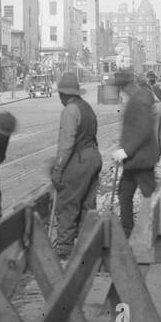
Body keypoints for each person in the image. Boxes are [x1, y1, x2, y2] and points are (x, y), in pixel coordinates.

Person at [49, 73, 103, 257]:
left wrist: (58, 169)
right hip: (93, 157)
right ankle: (87, 245)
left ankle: (64, 247)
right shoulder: (86, 107)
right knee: (88, 204)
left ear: (63, 94)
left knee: (68, 203)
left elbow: (66, 144)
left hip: (79, 159)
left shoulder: (70, 110)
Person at [112, 70, 161, 240]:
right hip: (135, 160)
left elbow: (142, 129)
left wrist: (126, 151)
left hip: (141, 159)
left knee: (150, 195)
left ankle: (157, 231)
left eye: (120, 87)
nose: (120, 91)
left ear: (125, 86)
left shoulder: (137, 101)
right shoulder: (137, 97)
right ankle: (128, 232)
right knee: (124, 193)